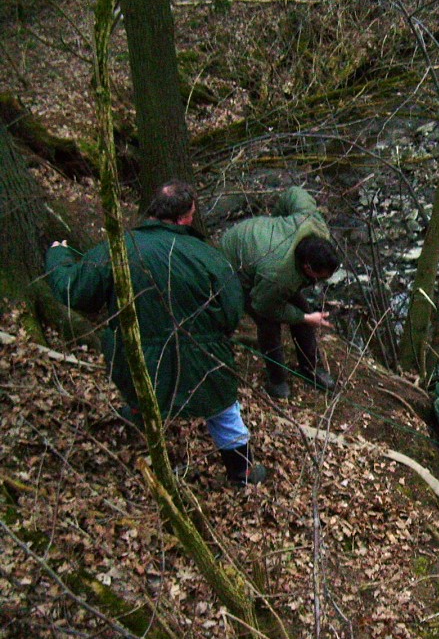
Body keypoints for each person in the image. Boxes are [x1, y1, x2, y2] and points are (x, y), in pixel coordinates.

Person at [45, 180, 266, 486]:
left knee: (142, 393)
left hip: (137, 359)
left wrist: (58, 256)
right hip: (205, 360)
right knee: (224, 410)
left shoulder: (117, 248)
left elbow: (75, 291)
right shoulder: (210, 257)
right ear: (186, 217)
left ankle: (147, 438)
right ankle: (242, 472)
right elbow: (230, 314)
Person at [219, 186, 340, 399]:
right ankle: (277, 380)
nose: (324, 280)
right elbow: (264, 306)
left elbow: (295, 193)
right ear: (308, 268)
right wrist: (303, 318)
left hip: (261, 248)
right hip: (234, 267)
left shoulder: (313, 223)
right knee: (269, 324)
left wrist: (275, 222)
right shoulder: (277, 274)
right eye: (321, 276)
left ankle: (311, 368)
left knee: (302, 307)